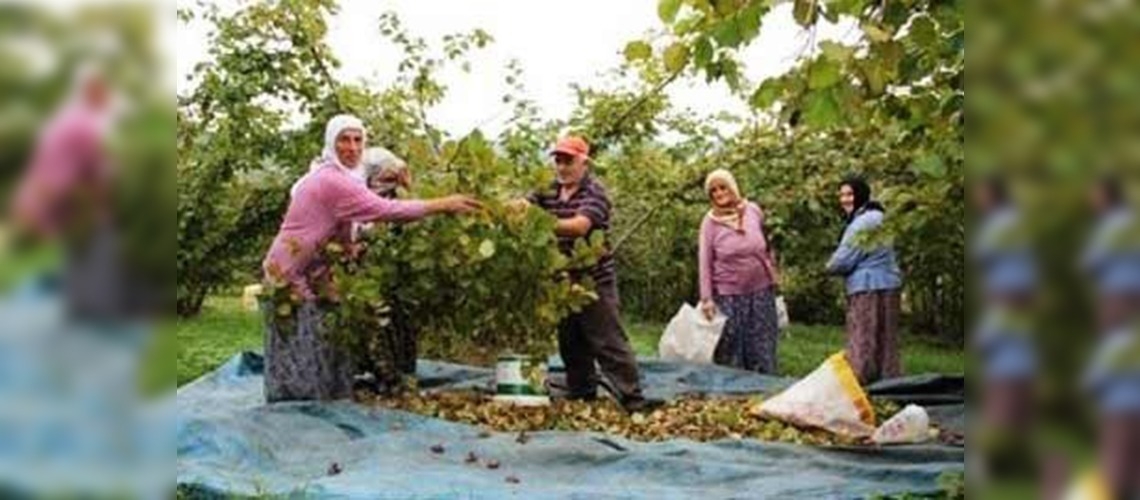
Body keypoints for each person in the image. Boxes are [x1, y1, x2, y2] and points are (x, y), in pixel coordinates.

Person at [261, 114, 481, 403]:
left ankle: (319, 405)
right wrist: (443, 204)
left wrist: (347, 245)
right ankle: (299, 417)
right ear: (331, 142)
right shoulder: (331, 180)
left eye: (357, 140)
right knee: (302, 350)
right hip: (287, 274)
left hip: (311, 272)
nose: (351, 147)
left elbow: (336, 222)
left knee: (322, 346)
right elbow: (385, 209)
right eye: (344, 140)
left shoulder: (340, 176)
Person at [513, 136, 660, 413]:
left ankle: (634, 401)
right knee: (571, 342)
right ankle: (581, 395)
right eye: (558, 160)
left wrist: (535, 221)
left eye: (568, 160)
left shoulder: (595, 192)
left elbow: (579, 227)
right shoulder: (548, 189)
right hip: (561, 280)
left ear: (584, 162)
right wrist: (512, 209)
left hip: (594, 281)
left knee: (608, 342)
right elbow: (523, 205)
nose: (562, 166)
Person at [697, 169, 781, 373]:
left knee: (762, 340)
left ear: (733, 187)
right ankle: (734, 391)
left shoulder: (753, 210)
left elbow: (767, 244)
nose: (719, 193)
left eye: (723, 187)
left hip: (761, 289)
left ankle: (764, 383)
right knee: (732, 344)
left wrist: (773, 272)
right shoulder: (710, 223)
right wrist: (706, 298)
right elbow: (704, 261)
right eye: (713, 191)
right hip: (729, 294)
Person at [826, 176, 903, 385]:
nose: (844, 199)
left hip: (867, 287)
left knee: (863, 339)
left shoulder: (862, 223)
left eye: (849, 194)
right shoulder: (881, 217)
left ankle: (859, 387)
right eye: (841, 195)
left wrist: (828, 267)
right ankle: (890, 387)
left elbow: (844, 259)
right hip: (890, 284)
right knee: (886, 343)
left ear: (861, 194)